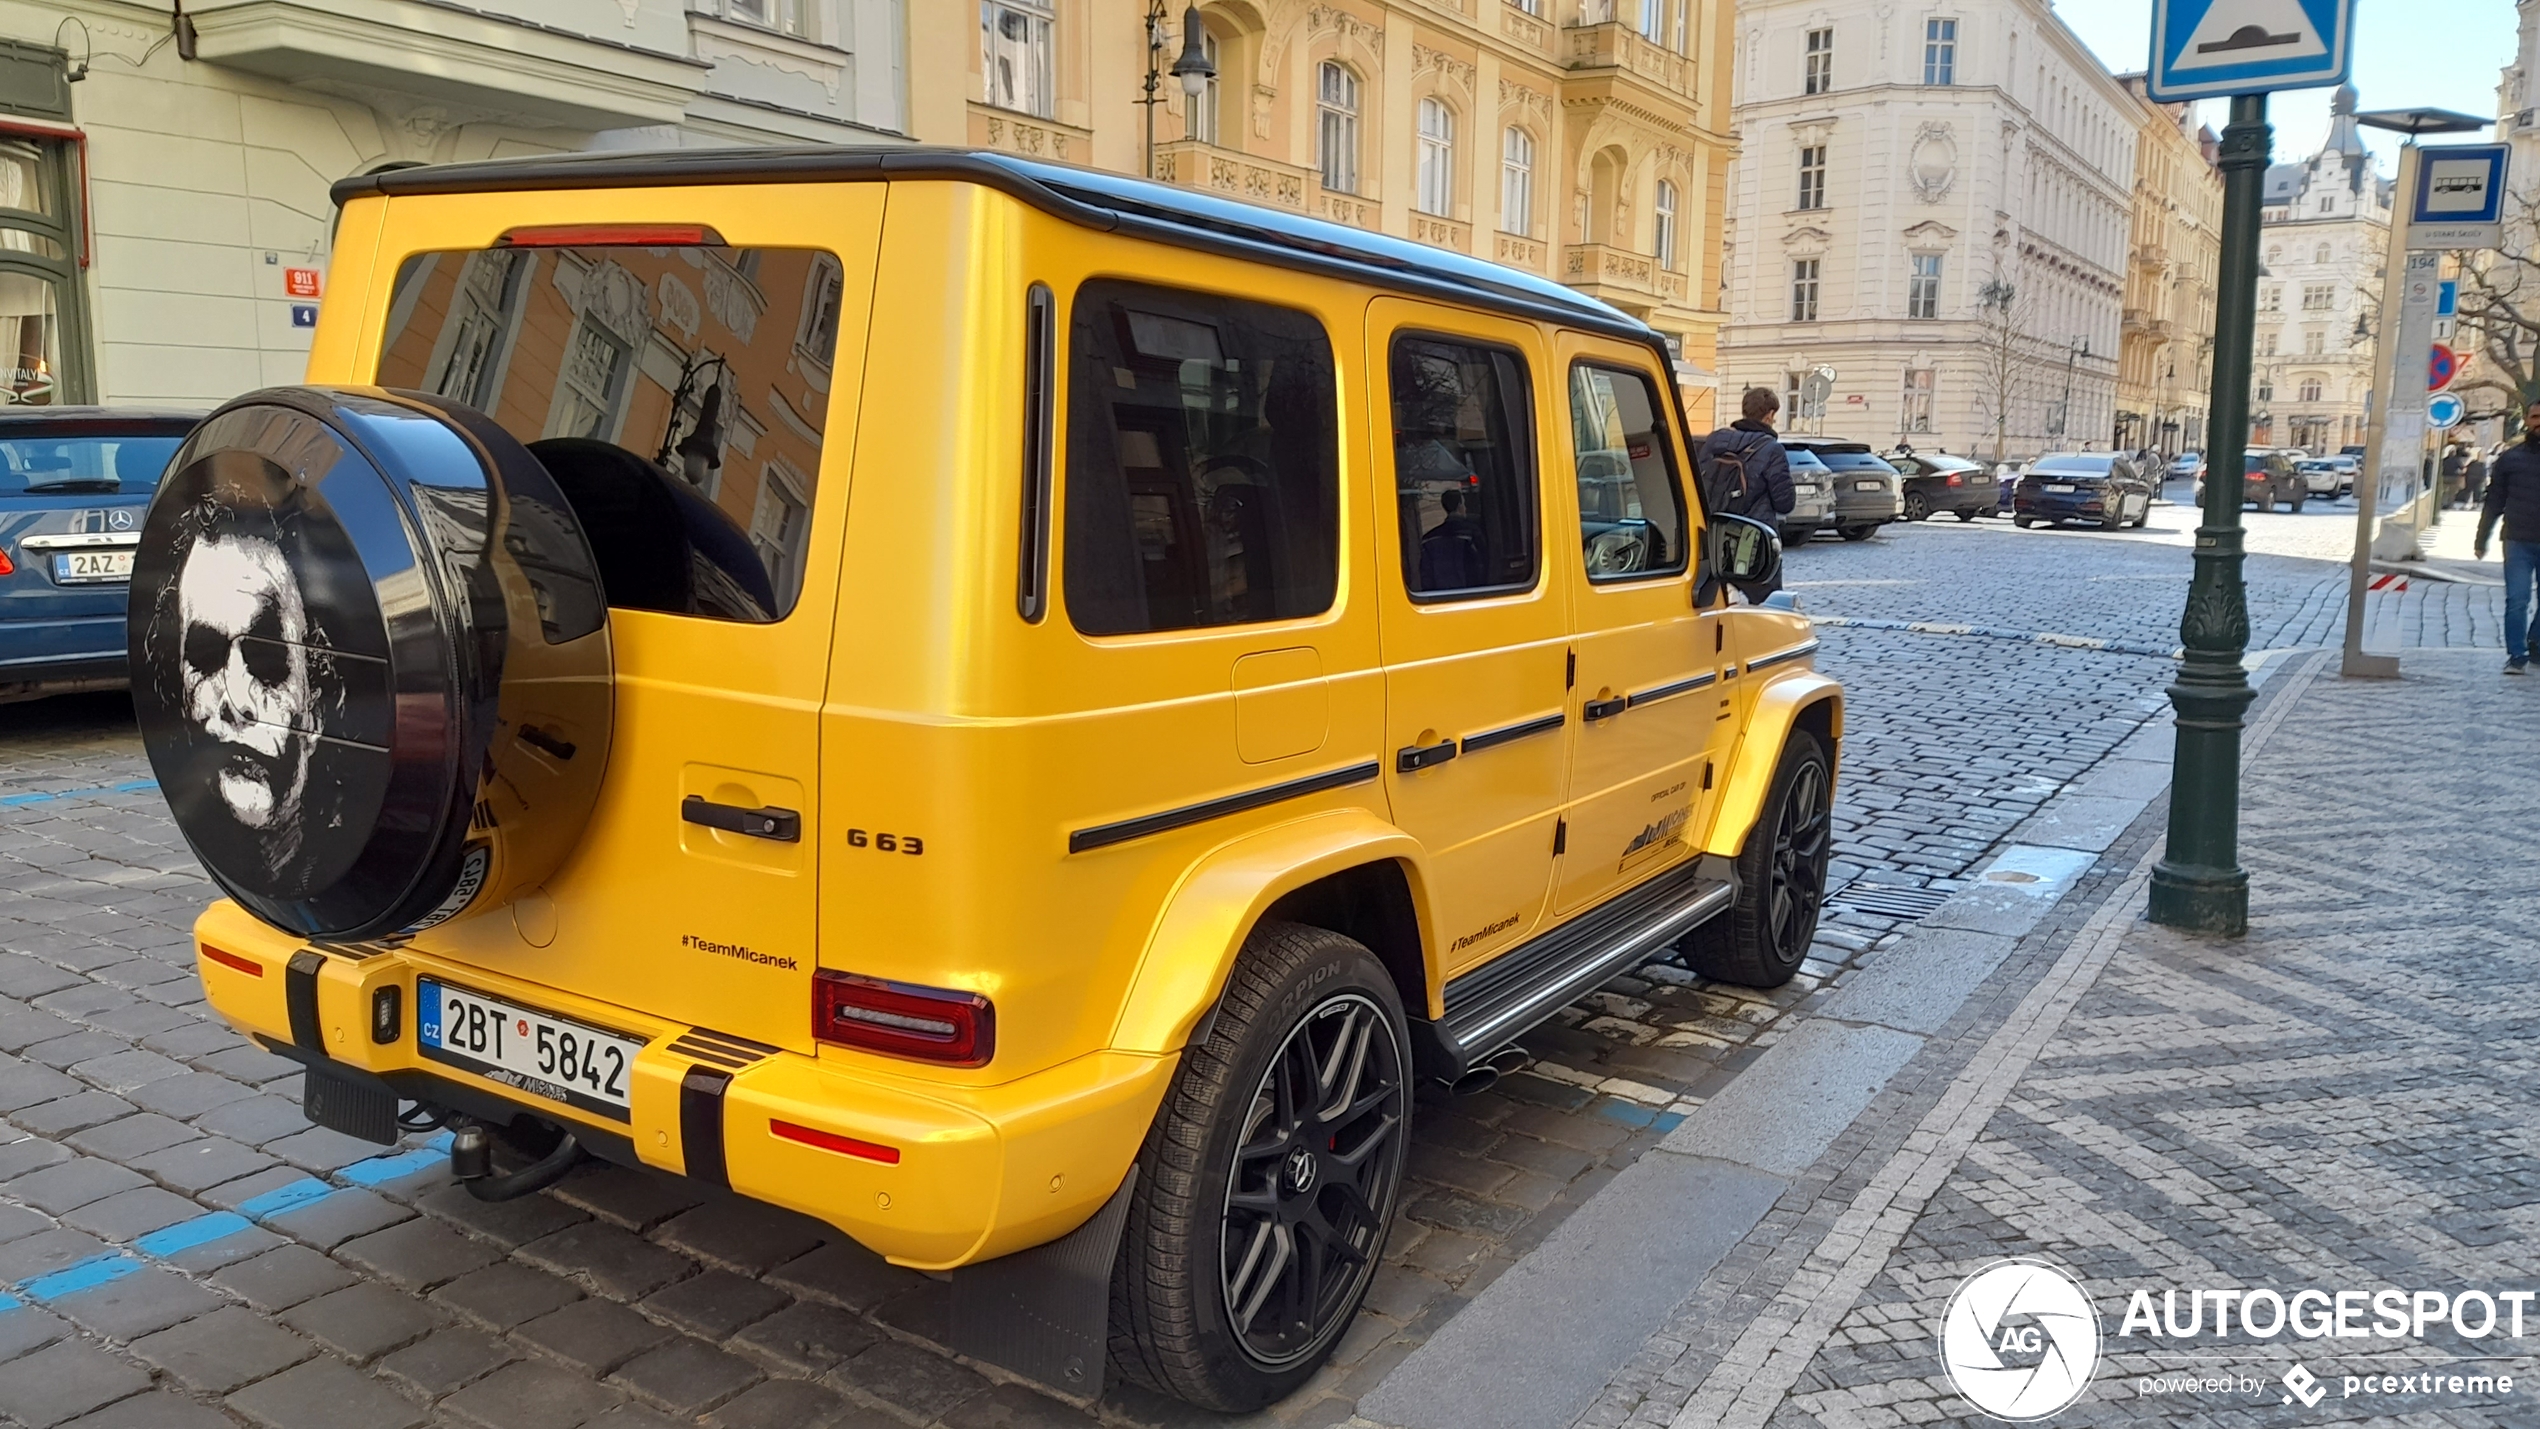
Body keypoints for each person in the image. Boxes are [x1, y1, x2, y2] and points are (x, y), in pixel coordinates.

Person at [2475, 403, 2540, 674]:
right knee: (2517, 599)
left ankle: (2534, 640)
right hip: (2517, 540)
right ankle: (2517, 655)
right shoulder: (2510, 459)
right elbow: (2494, 501)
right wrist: (2482, 538)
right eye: (2536, 417)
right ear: (2526, 419)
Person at [1698, 386, 1796, 529]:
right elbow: (1785, 503)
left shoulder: (1715, 440)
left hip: (1713, 528)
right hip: (1752, 534)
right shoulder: (1772, 449)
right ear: (1770, 415)